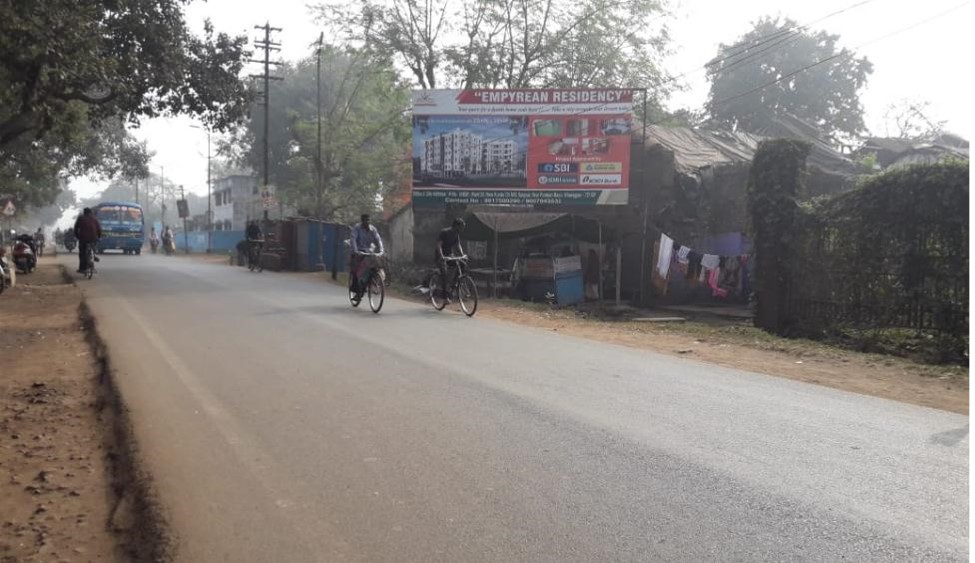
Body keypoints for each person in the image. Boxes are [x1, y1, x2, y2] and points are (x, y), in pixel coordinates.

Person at [349, 214, 384, 296]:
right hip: (358, 252)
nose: (367, 222)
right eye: (365, 220)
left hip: (368, 252)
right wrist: (356, 250)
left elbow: (378, 240)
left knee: (376, 265)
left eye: (368, 220)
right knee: (356, 270)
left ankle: (374, 280)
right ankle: (357, 290)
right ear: (362, 221)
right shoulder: (357, 228)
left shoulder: (373, 229)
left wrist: (381, 250)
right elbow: (353, 239)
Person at [435, 217, 466, 302]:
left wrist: (462, 255)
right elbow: (439, 245)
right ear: (456, 226)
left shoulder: (456, 234)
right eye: (462, 227)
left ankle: (454, 284)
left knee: (462, 263)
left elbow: (458, 245)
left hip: (449, 255)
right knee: (444, 274)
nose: (462, 229)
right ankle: (445, 297)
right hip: (441, 256)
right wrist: (441, 256)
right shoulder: (444, 232)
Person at [73, 208, 102, 273]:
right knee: (93, 248)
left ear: (84, 212)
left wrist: (78, 237)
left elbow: (76, 229)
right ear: (91, 212)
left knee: (82, 253)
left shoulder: (80, 218)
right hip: (93, 238)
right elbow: (99, 229)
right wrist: (99, 237)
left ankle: (82, 268)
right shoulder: (94, 219)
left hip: (83, 239)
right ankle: (94, 255)